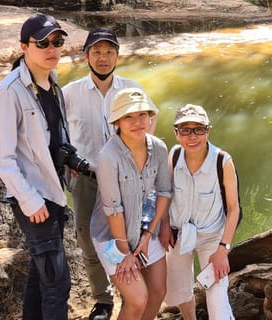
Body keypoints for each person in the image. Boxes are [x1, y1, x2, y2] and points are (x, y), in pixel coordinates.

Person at [61, 27, 156, 320]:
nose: (103, 58)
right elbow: (59, 135)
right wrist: (69, 167)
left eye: (109, 51)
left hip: (126, 180)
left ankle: (130, 287)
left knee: (127, 235)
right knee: (88, 239)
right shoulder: (69, 93)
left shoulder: (131, 88)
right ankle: (102, 300)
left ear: (117, 55)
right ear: (86, 55)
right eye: (97, 52)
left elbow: (150, 120)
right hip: (86, 179)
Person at [0, 14, 72, 320]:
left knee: (41, 277)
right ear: (24, 47)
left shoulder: (53, 85)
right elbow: (1, 156)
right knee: (58, 283)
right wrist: (30, 200)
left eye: (57, 42)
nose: (52, 49)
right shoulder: (8, 92)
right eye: (43, 43)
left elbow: (54, 137)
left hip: (54, 194)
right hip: (35, 201)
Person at [92, 88, 170, 320]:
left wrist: (148, 235)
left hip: (146, 227)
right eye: (128, 116)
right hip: (113, 239)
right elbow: (113, 210)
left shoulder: (158, 148)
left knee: (158, 292)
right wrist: (125, 253)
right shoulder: (108, 156)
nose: (137, 122)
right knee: (137, 299)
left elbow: (164, 192)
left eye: (142, 115)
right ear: (117, 121)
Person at [161, 104, 240, 320]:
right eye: (185, 130)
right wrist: (165, 225)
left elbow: (234, 209)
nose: (192, 136)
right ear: (176, 133)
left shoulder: (223, 161)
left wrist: (223, 249)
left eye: (198, 129)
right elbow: (166, 194)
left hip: (212, 238)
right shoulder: (174, 155)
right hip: (179, 235)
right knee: (177, 292)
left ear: (208, 131)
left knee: (217, 302)